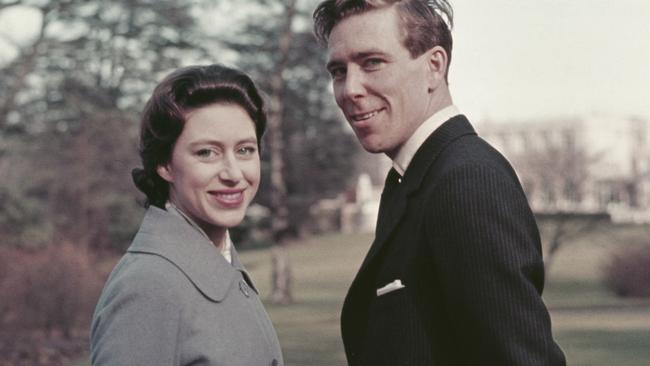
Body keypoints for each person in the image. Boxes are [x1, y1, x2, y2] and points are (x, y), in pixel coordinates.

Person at [313, 1, 566, 365]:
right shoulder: (415, 178)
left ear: (434, 66)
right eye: (338, 70)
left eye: (372, 62)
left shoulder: (465, 181)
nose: (349, 89)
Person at [90, 64, 283, 366]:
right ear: (164, 164)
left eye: (245, 150)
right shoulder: (148, 286)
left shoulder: (221, 264)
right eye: (207, 152)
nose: (233, 173)